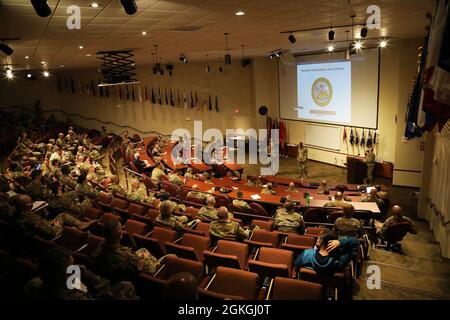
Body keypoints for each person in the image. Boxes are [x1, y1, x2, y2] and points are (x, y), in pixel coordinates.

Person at [21, 247, 138, 300]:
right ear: (66, 275)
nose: (76, 267)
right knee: (126, 285)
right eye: (72, 266)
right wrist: (88, 275)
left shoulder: (32, 284)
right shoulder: (75, 296)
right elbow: (105, 290)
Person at [92, 220, 167, 282]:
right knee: (170, 256)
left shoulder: (100, 246)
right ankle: (158, 261)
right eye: (121, 229)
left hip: (112, 274)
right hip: (138, 276)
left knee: (143, 249)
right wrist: (142, 260)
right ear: (120, 234)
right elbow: (143, 269)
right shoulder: (126, 257)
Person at [294, 229, 359, 275]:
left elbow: (296, 267)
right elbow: (356, 243)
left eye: (318, 238)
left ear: (321, 241)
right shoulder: (339, 261)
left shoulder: (306, 254)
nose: (317, 239)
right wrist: (340, 242)